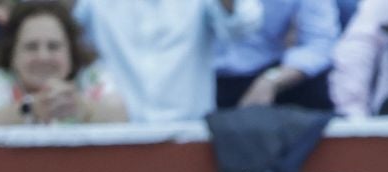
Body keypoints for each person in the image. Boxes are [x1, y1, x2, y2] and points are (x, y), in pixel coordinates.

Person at [74, 0, 262, 122]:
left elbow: (244, 25)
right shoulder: (93, 4)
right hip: (120, 133)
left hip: (189, 134)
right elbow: (63, 29)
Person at [0, 1, 130, 124]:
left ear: (71, 51)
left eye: (53, 46)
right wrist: (30, 109)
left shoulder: (92, 77)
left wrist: (83, 109)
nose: (43, 56)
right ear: (12, 53)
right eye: (31, 47)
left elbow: (121, 115)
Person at [212, 0, 342, 109]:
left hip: (267, 72)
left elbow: (320, 42)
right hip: (203, 75)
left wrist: (271, 80)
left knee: (316, 83)